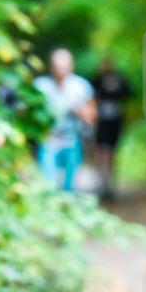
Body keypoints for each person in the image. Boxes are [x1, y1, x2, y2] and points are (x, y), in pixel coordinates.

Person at [33, 48, 97, 191]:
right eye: (56, 66)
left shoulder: (81, 86)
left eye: (63, 66)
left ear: (71, 66)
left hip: (72, 138)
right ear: (51, 67)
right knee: (47, 181)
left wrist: (80, 112)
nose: (60, 70)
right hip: (48, 139)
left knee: (71, 184)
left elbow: (92, 115)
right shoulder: (41, 86)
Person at [91, 56, 132, 201]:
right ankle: (103, 181)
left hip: (115, 120)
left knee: (111, 151)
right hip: (102, 120)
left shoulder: (119, 78)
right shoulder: (98, 78)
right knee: (102, 150)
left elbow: (128, 93)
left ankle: (109, 181)